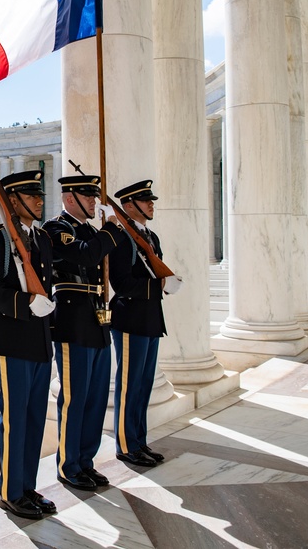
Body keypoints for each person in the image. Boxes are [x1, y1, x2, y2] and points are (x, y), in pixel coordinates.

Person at [0, 170, 57, 520]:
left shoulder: (40, 239)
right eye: (31, 195)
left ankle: (27, 486)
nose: (39, 200)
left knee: (35, 418)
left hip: (39, 340)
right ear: (12, 200)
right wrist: (26, 303)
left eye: (39, 194)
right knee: (14, 420)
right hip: (12, 342)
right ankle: (10, 492)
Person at [44, 174, 122, 491]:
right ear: (69, 198)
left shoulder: (91, 231)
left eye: (93, 196)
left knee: (95, 396)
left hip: (97, 317)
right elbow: (85, 254)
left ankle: (85, 461)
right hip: (72, 318)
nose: (93, 201)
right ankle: (68, 465)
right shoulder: (57, 229)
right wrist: (111, 229)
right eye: (88, 196)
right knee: (75, 397)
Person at [107, 179, 181, 468]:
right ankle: (126, 445)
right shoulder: (123, 239)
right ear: (128, 206)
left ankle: (139, 441)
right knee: (129, 386)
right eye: (145, 200)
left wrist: (165, 283)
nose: (151, 204)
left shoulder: (151, 238)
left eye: (150, 200)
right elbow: (122, 283)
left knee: (144, 385)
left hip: (149, 318)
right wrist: (159, 285)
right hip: (129, 318)